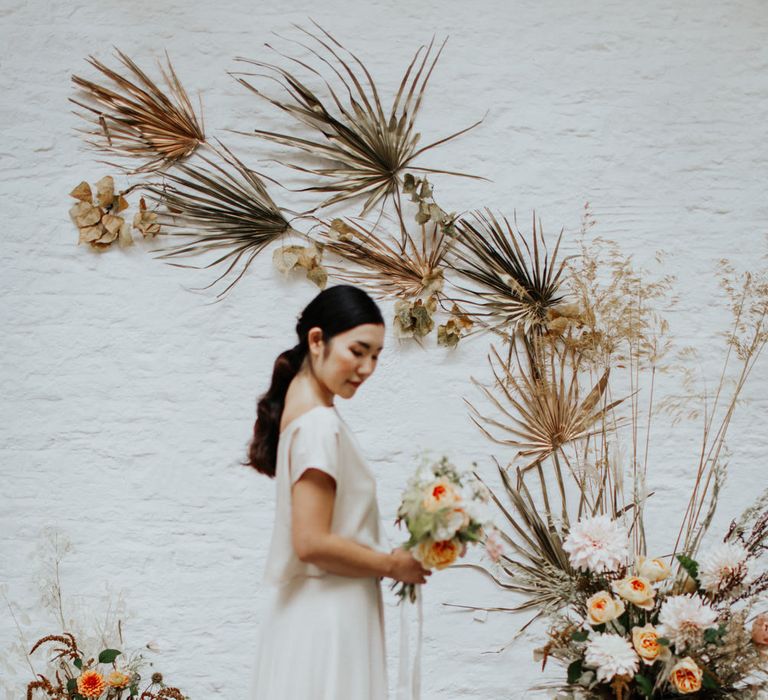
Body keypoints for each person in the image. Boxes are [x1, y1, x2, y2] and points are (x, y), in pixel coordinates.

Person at [245, 284, 430, 699]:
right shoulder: (318, 425)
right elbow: (310, 542)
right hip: (328, 618)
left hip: (313, 611)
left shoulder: (301, 403)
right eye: (358, 350)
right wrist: (392, 564)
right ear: (316, 340)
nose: (366, 367)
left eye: (376, 356)